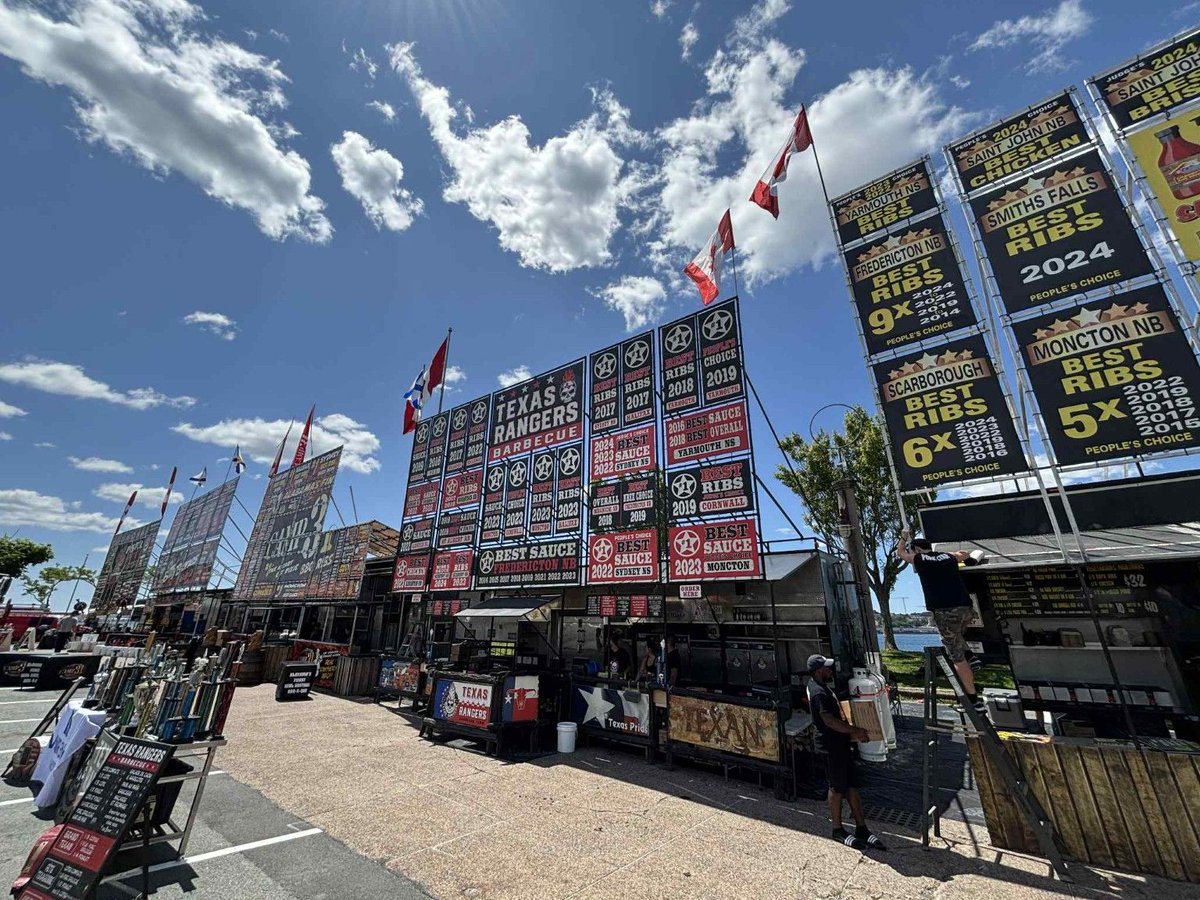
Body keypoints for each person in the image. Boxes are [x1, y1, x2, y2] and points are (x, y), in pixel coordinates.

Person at [896, 530, 986, 715]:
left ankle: (973, 701)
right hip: (966, 608)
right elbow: (965, 554)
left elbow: (901, 552)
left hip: (945, 611)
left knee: (956, 657)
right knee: (956, 635)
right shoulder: (948, 556)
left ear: (917, 549)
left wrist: (904, 537)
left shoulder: (919, 559)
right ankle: (971, 656)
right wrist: (966, 559)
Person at [806, 654, 887, 851]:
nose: (830, 671)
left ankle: (861, 827)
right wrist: (855, 731)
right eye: (827, 668)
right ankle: (837, 828)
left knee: (851, 785)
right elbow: (829, 721)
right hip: (830, 746)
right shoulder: (818, 692)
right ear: (818, 671)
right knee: (836, 787)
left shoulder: (824, 687)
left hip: (841, 744)